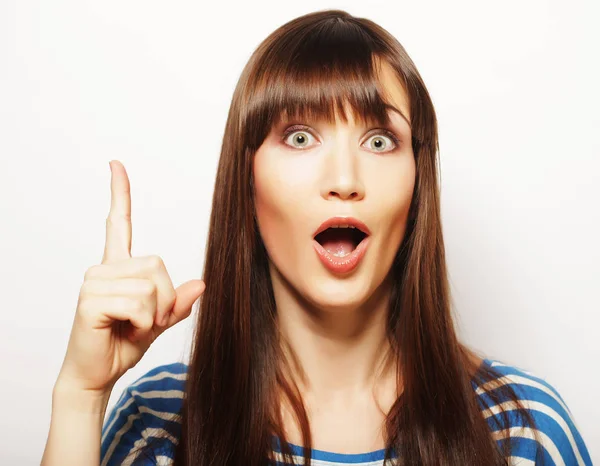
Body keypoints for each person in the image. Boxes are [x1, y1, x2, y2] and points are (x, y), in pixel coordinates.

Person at [41, 9, 593, 466]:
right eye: (301, 136)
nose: (345, 181)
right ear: (247, 179)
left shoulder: (524, 433)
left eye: (379, 142)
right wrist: (81, 399)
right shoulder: (157, 425)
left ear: (419, 182)